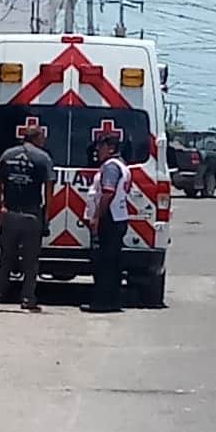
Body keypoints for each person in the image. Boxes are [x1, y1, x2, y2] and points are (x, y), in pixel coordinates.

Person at [0, 125, 55, 312]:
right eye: (42, 137)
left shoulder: (8, 155)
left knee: (4, 259)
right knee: (30, 261)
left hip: (10, 214)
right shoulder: (43, 158)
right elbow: (48, 191)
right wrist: (46, 217)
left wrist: (0, 206)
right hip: (31, 216)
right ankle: (28, 299)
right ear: (36, 138)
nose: (44, 140)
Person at [82, 133, 131, 313]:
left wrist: (97, 216)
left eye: (100, 146)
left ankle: (102, 302)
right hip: (118, 217)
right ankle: (113, 300)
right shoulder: (121, 165)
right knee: (113, 262)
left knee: (104, 264)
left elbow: (108, 192)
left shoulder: (110, 167)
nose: (97, 149)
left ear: (110, 148)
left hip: (109, 218)